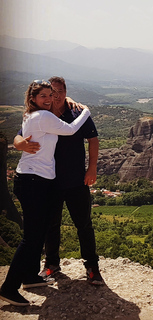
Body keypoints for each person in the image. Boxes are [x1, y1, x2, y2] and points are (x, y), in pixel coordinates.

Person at [0, 80, 91, 306]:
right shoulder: (43, 116)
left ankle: (30, 277)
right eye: (43, 96)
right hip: (33, 181)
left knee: (39, 231)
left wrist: (19, 142)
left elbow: (22, 135)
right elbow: (70, 129)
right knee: (31, 237)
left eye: (51, 95)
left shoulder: (32, 115)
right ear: (33, 98)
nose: (49, 99)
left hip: (34, 180)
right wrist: (86, 110)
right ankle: (9, 288)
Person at [13, 76, 104, 287]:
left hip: (76, 180)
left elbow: (93, 139)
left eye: (59, 92)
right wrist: (20, 145)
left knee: (84, 224)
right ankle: (52, 264)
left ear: (65, 92)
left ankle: (92, 267)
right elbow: (20, 135)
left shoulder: (76, 112)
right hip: (48, 182)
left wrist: (92, 168)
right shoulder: (41, 115)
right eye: (50, 92)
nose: (55, 96)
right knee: (50, 226)